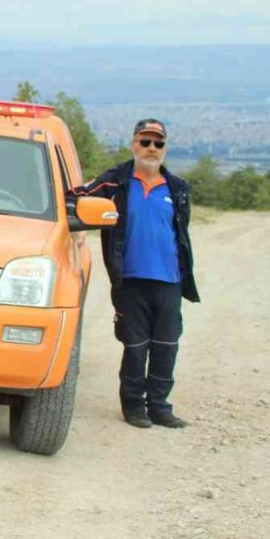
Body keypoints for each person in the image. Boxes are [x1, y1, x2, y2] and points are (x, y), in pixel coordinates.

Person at [73, 119, 200, 429]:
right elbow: (76, 198)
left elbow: (180, 234)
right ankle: (133, 407)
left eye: (158, 143)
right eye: (145, 142)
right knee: (134, 347)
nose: (151, 149)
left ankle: (159, 407)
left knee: (166, 346)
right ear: (134, 144)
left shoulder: (178, 188)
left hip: (169, 280)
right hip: (130, 280)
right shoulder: (115, 181)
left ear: (165, 149)